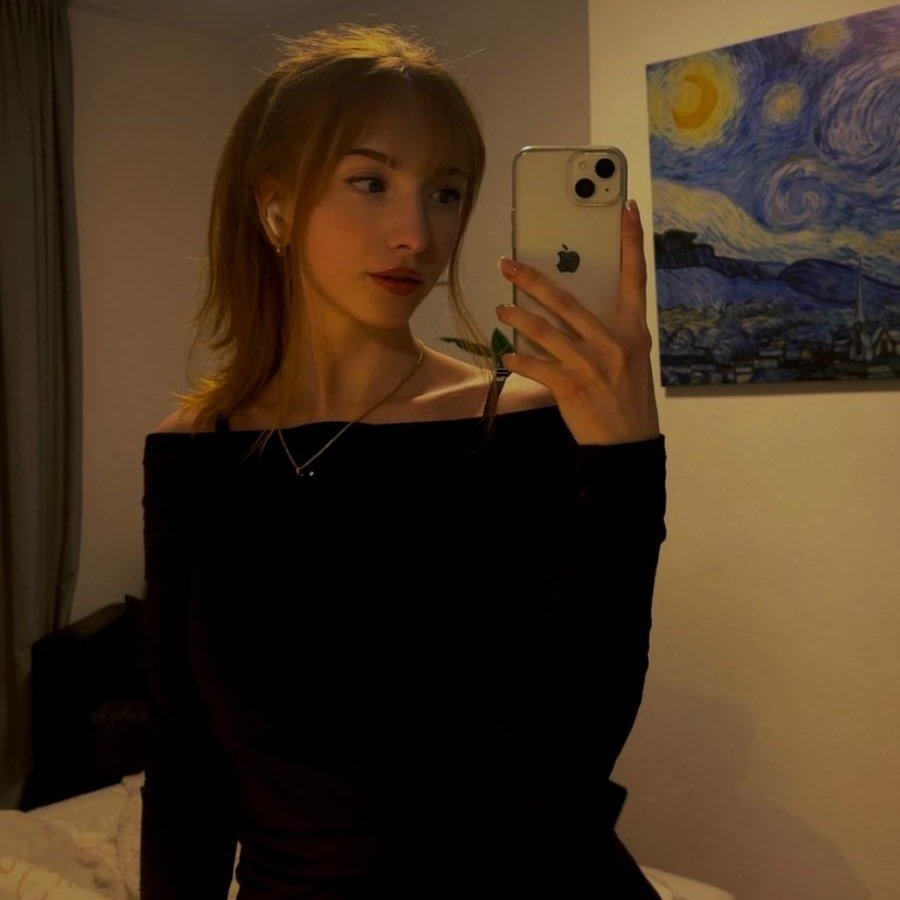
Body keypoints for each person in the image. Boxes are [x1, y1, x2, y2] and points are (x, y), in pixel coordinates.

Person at [139, 22, 667, 900]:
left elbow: (566, 759)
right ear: (275, 206)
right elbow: (184, 764)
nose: (415, 233)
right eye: (370, 181)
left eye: (446, 193)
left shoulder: (520, 425)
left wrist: (627, 459)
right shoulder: (196, 452)